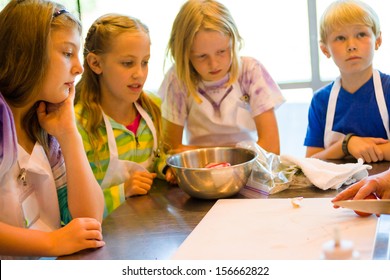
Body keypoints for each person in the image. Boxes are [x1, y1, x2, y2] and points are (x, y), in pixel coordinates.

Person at [0, 0, 105, 259]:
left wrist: (69, 134)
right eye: (68, 53)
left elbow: (90, 222)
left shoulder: (44, 130)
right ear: (26, 55)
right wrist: (51, 242)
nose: (79, 68)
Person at [75, 14, 174, 217]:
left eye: (145, 62)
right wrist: (122, 190)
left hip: (144, 228)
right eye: (128, 63)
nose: (139, 73)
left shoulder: (151, 108)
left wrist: (166, 169)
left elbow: (154, 157)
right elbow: (71, 212)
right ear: (95, 63)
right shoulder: (79, 127)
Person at [157, 0, 284, 154]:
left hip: (249, 166)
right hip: (201, 168)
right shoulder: (178, 78)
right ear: (184, 54)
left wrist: (199, 150)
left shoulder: (250, 71)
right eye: (202, 56)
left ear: (233, 40)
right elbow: (170, 149)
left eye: (222, 51)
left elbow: (272, 148)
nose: (214, 64)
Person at [304, 0, 390, 163]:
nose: (351, 45)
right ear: (325, 49)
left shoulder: (388, 89)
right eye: (340, 37)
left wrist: (360, 148)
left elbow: (320, 157)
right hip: (337, 189)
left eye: (361, 35)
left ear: (377, 40)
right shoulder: (320, 101)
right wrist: (347, 144)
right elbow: (310, 161)